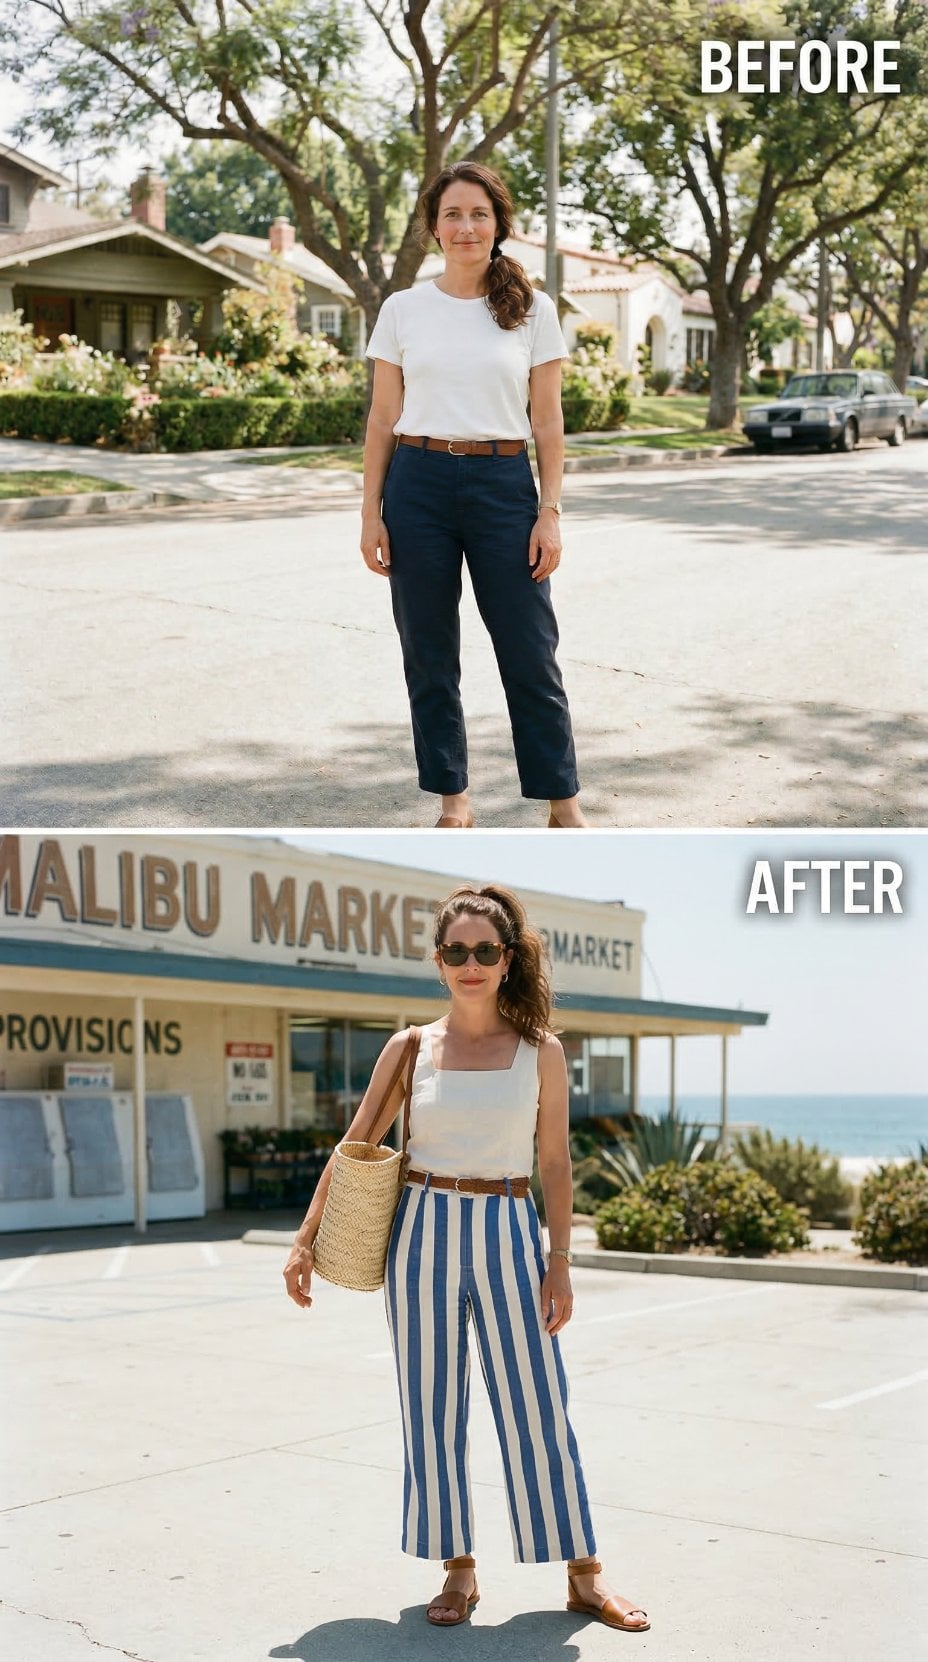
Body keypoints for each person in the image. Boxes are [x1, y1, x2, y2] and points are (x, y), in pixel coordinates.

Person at [283, 883, 649, 1633]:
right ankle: (459, 1569)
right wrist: (304, 1237)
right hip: (422, 1227)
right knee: (430, 1407)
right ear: (438, 961)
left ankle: (584, 1573)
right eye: (457, 951)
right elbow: (354, 1145)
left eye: (486, 950)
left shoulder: (542, 1051)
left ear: (508, 958)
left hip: (510, 1225)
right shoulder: (410, 1047)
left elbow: (555, 1163)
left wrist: (560, 1260)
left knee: (538, 1402)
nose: (471, 963)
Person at [359, 161, 588, 830]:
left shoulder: (533, 309)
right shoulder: (403, 309)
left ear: (498, 225)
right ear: (434, 228)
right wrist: (371, 512)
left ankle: (563, 804)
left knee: (530, 650)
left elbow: (548, 420)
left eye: (479, 214)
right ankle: (453, 801)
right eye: (453, 214)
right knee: (429, 654)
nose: (466, 226)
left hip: (503, 486)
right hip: (417, 485)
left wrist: (550, 511)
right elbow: (382, 417)